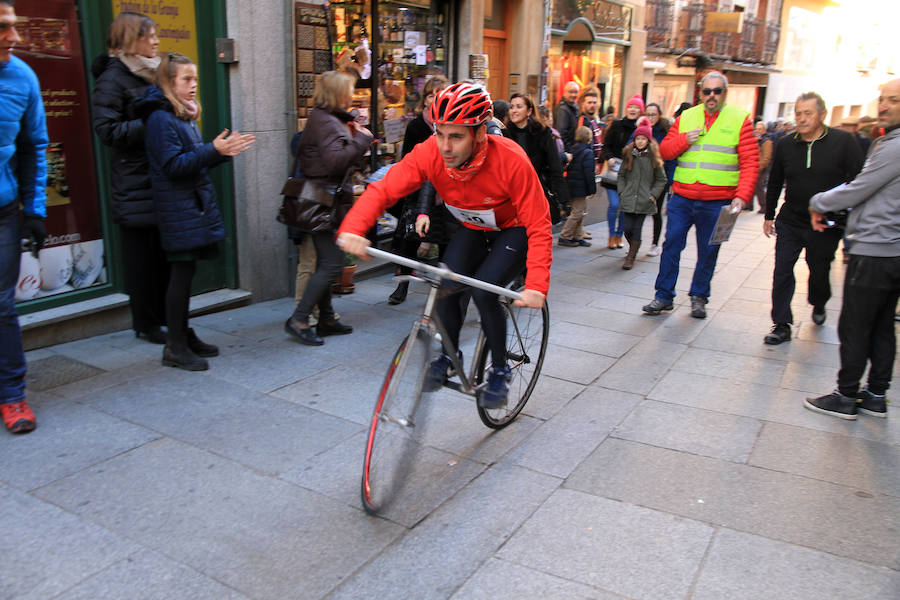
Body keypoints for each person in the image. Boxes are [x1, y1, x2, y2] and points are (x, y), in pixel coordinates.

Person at [337, 82, 552, 409]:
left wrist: (537, 284)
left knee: (484, 291)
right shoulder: (429, 151)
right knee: (445, 284)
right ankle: (450, 355)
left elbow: (538, 224)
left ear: (479, 133)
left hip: (513, 229)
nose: (445, 146)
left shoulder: (511, 159)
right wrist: (354, 227)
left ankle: (499, 369)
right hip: (472, 226)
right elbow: (385, 189)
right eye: (440, 134)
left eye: (456, 136)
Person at [136, 52, 255, 370]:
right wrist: (213, 150)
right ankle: (175, 345)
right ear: (168, 82)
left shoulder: (179, 115)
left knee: (185, 275)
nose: (193, 85)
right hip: (177, 207)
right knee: (180, 274)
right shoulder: (161, 118)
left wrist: (217, 152)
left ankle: (182, 335)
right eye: (186, 79)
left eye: (195, 79)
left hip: (189, 206)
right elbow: (173, 165)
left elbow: (190, 159)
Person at [804, 79, 900, 420]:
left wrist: (818, 202)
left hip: (876, 251)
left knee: (856, 325)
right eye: (883, 99)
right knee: (882, 325)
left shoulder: (893, 147)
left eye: (894, 100)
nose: (884, 106)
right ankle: (875, 394)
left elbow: (859, 187)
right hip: (890, 251)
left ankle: (846, 396)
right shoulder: (889, 142)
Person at [642, 72, 759, 319]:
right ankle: (663, 296)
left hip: (719, 201)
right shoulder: (687, 116)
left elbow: (750, 162)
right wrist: (685, 139)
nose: (711, 96)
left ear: (724, 93)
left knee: (710, 250)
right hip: (683, 198)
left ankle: (699, 297)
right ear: (700, 93)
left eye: (717, 91)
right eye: (707, 91)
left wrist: (742, 196)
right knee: (671, 244)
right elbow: (665, 151)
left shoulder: (740, 119)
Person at [92, 12, 170, 345]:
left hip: (160, 177)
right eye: (149, 36)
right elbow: (107, 130)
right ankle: (146, 323)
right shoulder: (113, 78)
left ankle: (164, 317)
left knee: (163, 255)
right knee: (141, 258)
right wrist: (154, 124)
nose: (155, 42)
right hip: (134, 183)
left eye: (155, 36)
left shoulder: (154, 73)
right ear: (130, 39)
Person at [762, 92, 863, 345]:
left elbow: (859, 180)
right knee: (782, 269)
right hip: (791, 220)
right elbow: (775, 181)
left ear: (822, 115)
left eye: (808, 113)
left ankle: (819, 302)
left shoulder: (843, 141)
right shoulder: (786, 143)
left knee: (819, 269)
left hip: (825, 224)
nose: (802, 118)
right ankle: (781, 323)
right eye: (798, 113)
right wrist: (769, 215)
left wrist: (847, 211)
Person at [284, 70, 372, 346]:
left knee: (326, 261)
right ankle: (299, 318)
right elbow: (335, 161)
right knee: (332, 262)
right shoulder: (325, 121)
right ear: (337, 93)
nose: (352, 94)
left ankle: (326, 318)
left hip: (325, 200)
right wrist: (361, 139)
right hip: (322, 201)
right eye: (349, 89)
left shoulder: (327, 118)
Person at [0, 0, 47, 434]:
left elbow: (35, 146)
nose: (13, 37)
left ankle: (12, 396)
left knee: (1, 305)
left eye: (12, 26)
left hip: (3, 213)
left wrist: (34, 209)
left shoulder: (22, 76)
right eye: (2, 28)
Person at [387, 75, 449, 305]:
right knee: (409, 240)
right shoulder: (416, 126)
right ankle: (402, 287)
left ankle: (445, 290)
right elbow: (407, 160)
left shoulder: (452, 124)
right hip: (419, 191)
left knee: (445, 241)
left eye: (439, 94)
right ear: (425, 99)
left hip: (445, 192)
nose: (434, 99)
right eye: (431, 94)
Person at [503, 93, 569, 225]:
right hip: (510, 195)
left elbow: (554, 166)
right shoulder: (505, 134)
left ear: (529, 111)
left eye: (519, 107)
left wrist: (562, 197)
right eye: (512, 107)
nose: (514, 110)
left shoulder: (543, 133)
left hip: (536, 192)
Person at [617, 118, 667, 270]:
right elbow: (621, 175)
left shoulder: (653, 158)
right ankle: (633, 248)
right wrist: (622, 191)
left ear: (648, 140)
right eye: (638, 138)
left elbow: (661, 179)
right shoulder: (628, 154)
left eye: (643, 139)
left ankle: (631, 257)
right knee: (627, 228)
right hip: (629, 198)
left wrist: (652, 195)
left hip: (645, 200)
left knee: (637, 229)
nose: (640, 141)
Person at [601, 94, 645, 249]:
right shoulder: (617, 125)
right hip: (614, 172)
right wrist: (609, 157)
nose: (633, 110)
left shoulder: (641, 129)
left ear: (641, 111)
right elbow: (606, 145)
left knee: (624, 206)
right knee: (614, 204)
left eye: (636, 107)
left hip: (630, 173)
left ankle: (620, 235)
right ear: (627, 108)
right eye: (631, 107)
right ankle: (611, 235)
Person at [558, 126, 596, 247]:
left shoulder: (573, 150)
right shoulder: (588, 152)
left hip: (571, 185)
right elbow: (589, 173)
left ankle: (577, 236)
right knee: (578, 213)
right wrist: (592, 189)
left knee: (578, 212)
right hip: (581, 187)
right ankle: (565, 236)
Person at [644, 102, 673, 256]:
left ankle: (655, 243)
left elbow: (671, 156)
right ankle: (634, 244)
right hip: (642, 178)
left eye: (653, 114)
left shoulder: (665, 132)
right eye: (647, 114)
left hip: (659, 178)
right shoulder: (641, 130)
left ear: (659, 115)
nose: (650, 118)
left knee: (656, 211)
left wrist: (671, 181)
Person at [752, 120, 774, 215]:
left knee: (759, 186)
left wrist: (760, 167)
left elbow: (766, 157)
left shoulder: (766, 141)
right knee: (752, 185)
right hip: (754, 167)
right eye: (756, 129)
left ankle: (764, 206)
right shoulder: (756, 139)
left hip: (761, 168)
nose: (758, 131)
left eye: (760, 129)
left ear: (764, 130)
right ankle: (749, 205)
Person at [555, 80, 580, 151]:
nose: (573, 95)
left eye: (576, 92)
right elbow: (562, 132)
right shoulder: (563, 109)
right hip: (567, 150)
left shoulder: (575, 107)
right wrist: (570, 150)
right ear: (564, 93)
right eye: (570, 92)